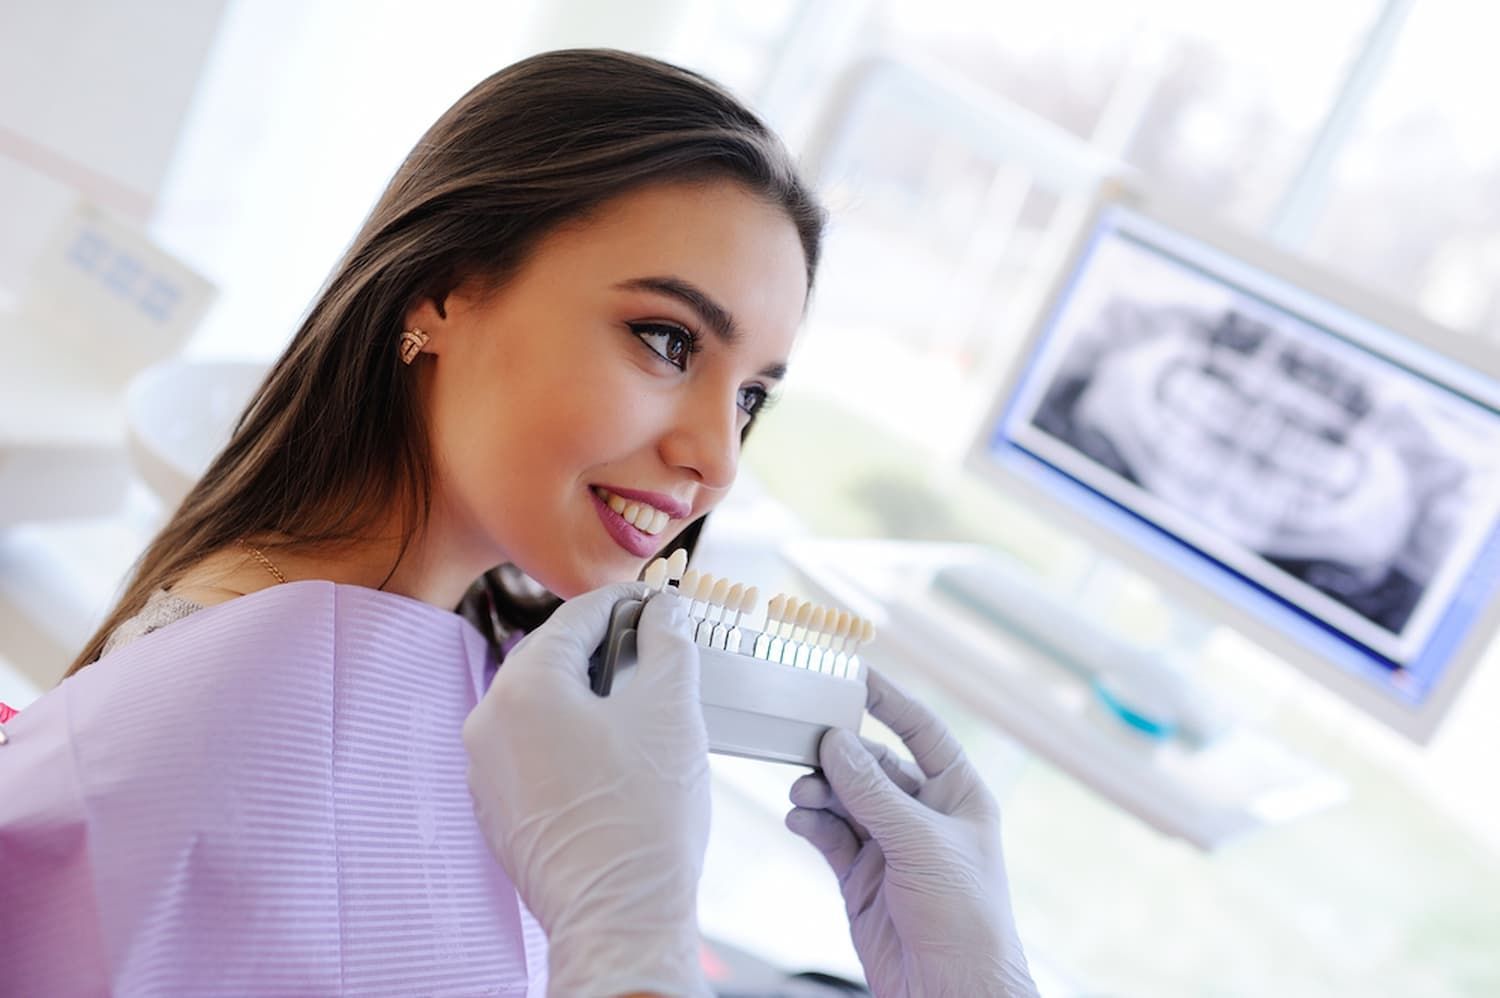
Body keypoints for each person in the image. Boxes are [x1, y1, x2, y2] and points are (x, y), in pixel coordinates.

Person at [0, 49, 1035, 997]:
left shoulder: (489, 677)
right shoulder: (233, 712)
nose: (718, 459)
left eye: (751, 395)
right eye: (667, 340)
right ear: (444, 290)